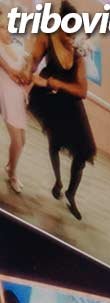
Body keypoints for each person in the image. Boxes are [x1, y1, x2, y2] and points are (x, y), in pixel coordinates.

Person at [25, 30, 93, 220]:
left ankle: (71, 193)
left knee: (85, 150)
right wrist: (30, 72)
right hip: (51, 98)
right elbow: (34, 61)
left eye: (75, 35)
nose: (71, 38)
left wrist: (58, 83)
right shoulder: (49, 39)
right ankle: (58, 181)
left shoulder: (79, 53)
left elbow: (82, 91)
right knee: (54, 141)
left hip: (71, 102)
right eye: (68, 34)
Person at [0, 26, 29, 194]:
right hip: (6, 94)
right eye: (2, 27)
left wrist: (24, 76)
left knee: (22, 140)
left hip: (18, 95)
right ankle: (12, 174)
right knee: (17, 141)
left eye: (6, 26)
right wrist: (12, 72)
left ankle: (10, 165)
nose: (6, 30)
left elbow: (27, 66)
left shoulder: (17, 46)